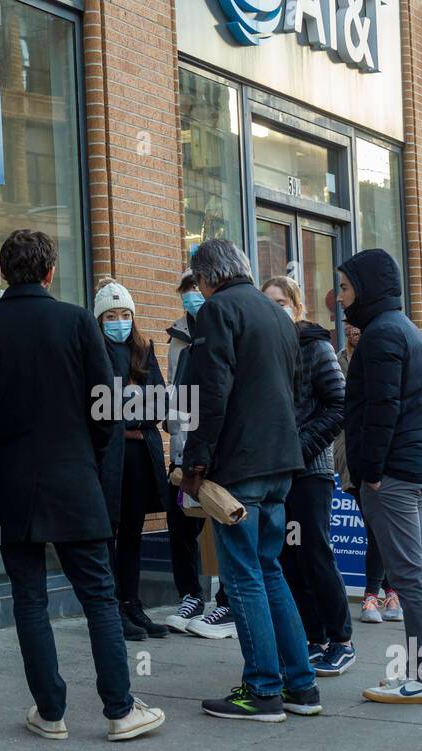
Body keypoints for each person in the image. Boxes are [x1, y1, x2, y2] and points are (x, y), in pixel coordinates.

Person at [0, 229, 165, 741]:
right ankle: (119, 708)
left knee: (29, 599)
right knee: (99, 595)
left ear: (2, 274)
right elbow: (105, 409)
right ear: (51, 272)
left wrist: (0, 454)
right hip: (75, 480)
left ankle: (50, 712)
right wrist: (86, 457)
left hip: (12, 483)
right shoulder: (75, 321)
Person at [180, 240, 320, 721]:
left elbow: (210, 395)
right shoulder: (277, 315)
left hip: (239, 464)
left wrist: (195, 463)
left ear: (207, 277)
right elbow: (292, 390)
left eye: (197, 282)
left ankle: (262, 690)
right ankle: (300, 685)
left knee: (242, 577)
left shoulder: (218, 312)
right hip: (281, 461)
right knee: (269, 570)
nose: (196, 291)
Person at [340, 248, 422, 704]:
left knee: (407, 574)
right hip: (409, 465)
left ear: (367, 288)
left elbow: (382, 409)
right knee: (415, 571)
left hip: (394, 472)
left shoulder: (381, 335)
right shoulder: (406, 331)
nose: (339, 298)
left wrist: (371, 471)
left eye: (344, 287)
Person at [263, 276, 354, 676]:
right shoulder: (261, 350)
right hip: (274, 470)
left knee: (315, 552)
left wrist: (299, 448)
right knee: (287, 557)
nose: (275, 308)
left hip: (310, 469)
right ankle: (311, 638)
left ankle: (342, 639)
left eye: (281, 301)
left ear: (297, 307)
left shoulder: (315, 345)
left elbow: (340, 404)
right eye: (267, 302)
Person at [93, 277, 170, 640]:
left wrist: (125, 409)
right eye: (111, 315)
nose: (119, 321)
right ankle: (109, 609)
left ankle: (131, 604)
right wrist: (129, 407)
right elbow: (95, 407)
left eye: (125, 314)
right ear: (99, 320)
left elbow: (160, 402)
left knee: (134, 533)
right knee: (108, 530)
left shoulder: (143, 347)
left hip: (141, 456)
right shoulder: (91, 351)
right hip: (109, 459)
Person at [162, 270, 232, 636]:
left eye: (197, 290)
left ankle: (226, 602)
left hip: (218, 447)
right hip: (184, 444)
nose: (192, 297)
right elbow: (177, 388)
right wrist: (174, 432)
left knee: (222, 522)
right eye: (186, 292)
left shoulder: (221, 325)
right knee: (181, 523)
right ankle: (190, 594)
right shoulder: (177, 336)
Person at [335, 323, 401, 624]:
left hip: (383, 457)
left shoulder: (383, 358)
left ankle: (378, 592)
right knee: (376, 527)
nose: (353, 331)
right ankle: (384, 591)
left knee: (380, 528)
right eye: (349, 326)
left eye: (359, 326)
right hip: (351, 456)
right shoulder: (337, 361)